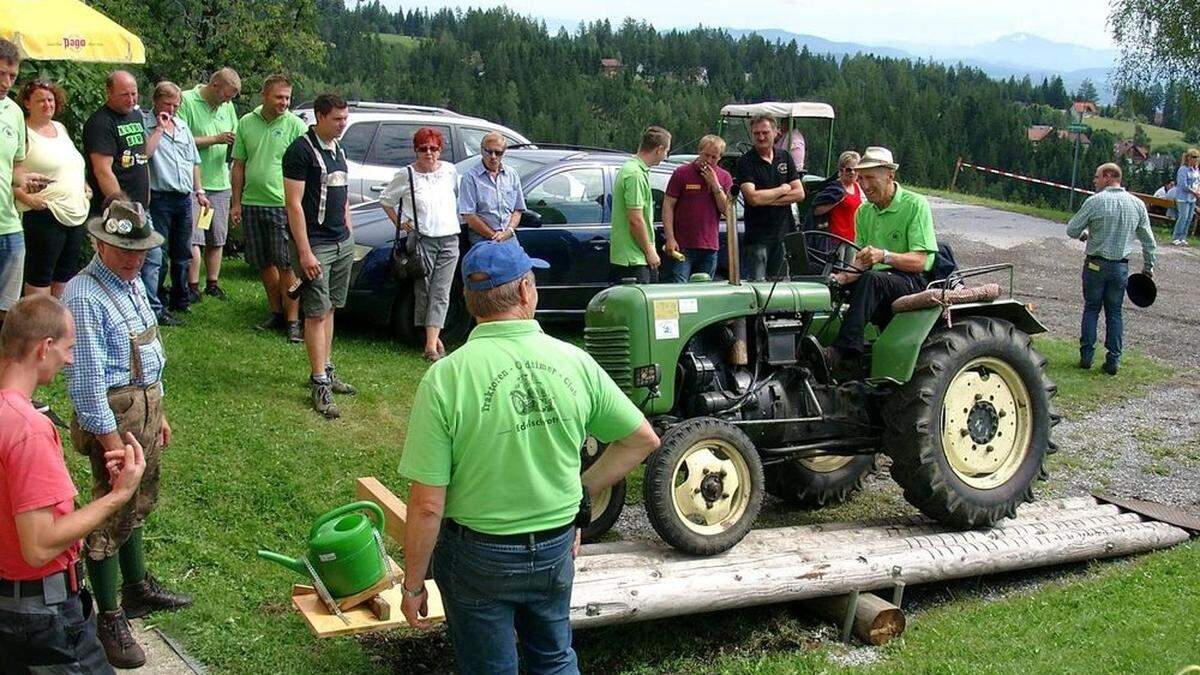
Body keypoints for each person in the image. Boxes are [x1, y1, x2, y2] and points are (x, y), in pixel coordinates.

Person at [398, 241, 660, 675]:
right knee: (554, 658)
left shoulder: (446, 378)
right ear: (525, 290)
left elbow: (427, 504)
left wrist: (412, 586)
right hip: (556, 546)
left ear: (468, 299)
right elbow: (641, 440)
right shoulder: (575, 362)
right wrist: (581, 493)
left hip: (477, 558)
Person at [63, 199, 192, 668]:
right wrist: (112, 443)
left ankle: (136, 588)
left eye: (139, 250)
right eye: (123, 250)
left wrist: (159, 412)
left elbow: (149, 348)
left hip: (144, 406)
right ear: (99, 242)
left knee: (139, 502)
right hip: (114, 418)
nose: (133, 258)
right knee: (110, 510)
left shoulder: (131, 280)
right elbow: (85, 381)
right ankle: (109, 615)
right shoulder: (83, 293)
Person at [0, 295, 147, 675]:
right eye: (68, 349)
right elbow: (38, 545)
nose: (70, 360)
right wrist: (119, 495)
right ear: (44, 348)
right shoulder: (28, 430)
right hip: (41, 618)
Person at [825, 147, 937, 366]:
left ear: (890, 176)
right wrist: (841, 278)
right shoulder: (864, 212)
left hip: (910, 279)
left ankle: (844, 350)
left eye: (870, 178)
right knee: (834, 287)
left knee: (872, 280)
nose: (864, 186)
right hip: (877, 281)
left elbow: (922, 261)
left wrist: (884, 256)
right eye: (861, 178)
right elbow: (861, 259)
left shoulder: (915, 205)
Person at [282, 93, 356, 419]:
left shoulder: (338, 149)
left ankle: (327, 367)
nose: (343, 124)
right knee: (315, 312)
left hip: (341, 242)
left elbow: (343, 199)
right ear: (320, 116)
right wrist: (305, 251)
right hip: (316, 245)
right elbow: (293, 204)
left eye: (345, 118)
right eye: (337, 119)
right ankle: (318, 383)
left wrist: (349, 233)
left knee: (330, 309)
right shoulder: (300, 151)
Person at [84, 71, 177, 327]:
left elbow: (141, 155)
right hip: (120, 211)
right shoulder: (100, 123)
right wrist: (122, 205)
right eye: (124, 94)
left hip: (141, 205)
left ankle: (145, 310)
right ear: (109, 93)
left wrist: (158, 130)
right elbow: (102, 169)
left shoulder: (136, 115)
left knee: (151, 257)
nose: (131, 98)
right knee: (131, 260)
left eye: (134, 92)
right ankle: (138, 311)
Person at [231, 74, 307, 342]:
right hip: (253, 203)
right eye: (279, 97)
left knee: (286, 265)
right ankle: (276, 312)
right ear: (264, 96)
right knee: (263, 263)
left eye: (287, 98)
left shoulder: (296, 126)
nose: (284, 102)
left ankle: (293, 320)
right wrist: (236, 202)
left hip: (281, 205)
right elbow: (238, 165)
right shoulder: (246, 123)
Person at [1066, 162, 1157, 376]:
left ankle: (1086, 357)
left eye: (1097, 177)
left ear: (1108, 176)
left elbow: (1072, 229)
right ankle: (1113, 360)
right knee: (1115, 313)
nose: (1095, 181)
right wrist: (1148, 267)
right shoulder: (1137, 204)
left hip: (1095, 265)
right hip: (1120, 268)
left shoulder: (1095, 202)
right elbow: (1149, 241)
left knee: (1091, 309)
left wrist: (1084, 236)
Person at [380, 127, 460, 362]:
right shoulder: (406, 175)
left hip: (449, 238)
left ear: (440, 150)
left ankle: (430, 344)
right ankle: (433, 340)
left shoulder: (450, 171)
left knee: (441, 291)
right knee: (423, 290)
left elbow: (456, 198)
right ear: (416, 150)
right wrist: (401, 222)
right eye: (423, 148)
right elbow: (386, 200)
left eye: (433, 148)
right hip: (422, 239)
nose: (429, 153)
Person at [13, 79, 90, 298]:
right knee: (40, 276)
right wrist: (28, 200)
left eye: (50, 99)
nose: (48, 104)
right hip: (44, 215)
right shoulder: (23, 133)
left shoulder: (60, 128)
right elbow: (7, 176)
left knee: (64, 277)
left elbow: (70, 162)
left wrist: (83, 184)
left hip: (75, 213)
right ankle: (37, 329)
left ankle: (58, 329)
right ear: (27, 103)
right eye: (40, 100)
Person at [144, 81, 209, 316]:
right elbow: (144, 155)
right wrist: (159, 129)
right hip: (159, 196)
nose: (171, 110)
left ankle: (181, 298)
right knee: (158, 252)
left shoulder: (182, 127)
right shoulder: (145, 124)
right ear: (156, 102)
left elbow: (194, 162)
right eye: (167, 104)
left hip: (184, 197)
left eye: (176, 105)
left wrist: (199, 191)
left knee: (183, 251)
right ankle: (157, 297)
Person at [0, 39, 52, 326]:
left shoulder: (14, 113)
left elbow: (15, 167)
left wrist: (25, 180)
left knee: (7, 314)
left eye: (12, 76)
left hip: (9, 226)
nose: (7, 83)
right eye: (0, 74)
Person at [177, 67, 240, 303]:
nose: (228, 101)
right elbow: (181, 139)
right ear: (215, 86)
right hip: (195, 182)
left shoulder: (227, 107)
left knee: (217, 236)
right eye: (227, 95)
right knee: (195, 236)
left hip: (220, 181)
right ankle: (192, 285)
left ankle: (212, 283)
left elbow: (233, 132)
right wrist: (215, 139)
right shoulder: (187, 101)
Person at [736, 115, 805, 281]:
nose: (761, 137)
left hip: (783, 235)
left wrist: (767, 198)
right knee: (758, 286)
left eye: (765, 132)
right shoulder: (745, 162)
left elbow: (800, 194)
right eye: (756, 133)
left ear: (776, 132)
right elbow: (753, 198)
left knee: (780, 288)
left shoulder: (785, 157)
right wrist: (782, 189)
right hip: (757, 238)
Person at [662, 134, 731, 283]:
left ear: (720, 158)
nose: (709, 161)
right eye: (706, 155)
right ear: (699, 152)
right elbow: (668, 205)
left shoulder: (724, 177)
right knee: (680, 287)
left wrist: (715, 185)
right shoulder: (682, 173)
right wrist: (670, 238)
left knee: (704, 290)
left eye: (714, 157)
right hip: (683, 245)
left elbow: (727, 210)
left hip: (710, 246)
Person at [610, 125, 671, 284]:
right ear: (659, 149)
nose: (666, 156)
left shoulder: (634, 169)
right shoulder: (635, 175)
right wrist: (650, 250)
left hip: (634, 255)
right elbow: (635, 220)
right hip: (633, 258)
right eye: (666, 151)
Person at [459, 132, 526, 245]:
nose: (493, 156)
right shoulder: (470, 177)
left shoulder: (512, 174)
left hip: (509, 239)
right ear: (482, 150)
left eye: (498, 152)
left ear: (504, 153)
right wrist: (493, 236)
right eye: (489, 152)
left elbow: (518, 209)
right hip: (483, 241)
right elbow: (468, 215)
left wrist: (508, 231)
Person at [1172, 149, 1200, 245]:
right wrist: (1193, 191)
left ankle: (1183, 237)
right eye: (1194, 157)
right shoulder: (1183, 169)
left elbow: (1198, 182)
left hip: (1193, 198)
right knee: (1183, 217)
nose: (1196, 159)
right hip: (1183, 197)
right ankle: (1176, 237)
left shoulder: (1196, 170)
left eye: (1197, 157)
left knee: (1189, 217)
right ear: (1188, 158)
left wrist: (1198, 191)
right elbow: (1182, 184)